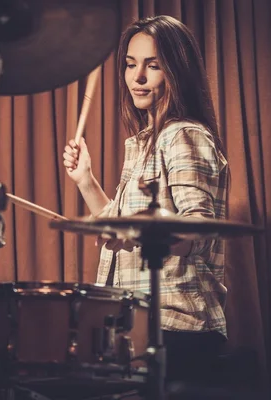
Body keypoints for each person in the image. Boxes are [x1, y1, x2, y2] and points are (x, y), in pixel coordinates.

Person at [63, 15, 230, 385]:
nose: (137, 78)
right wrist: (86, 181)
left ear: (176, 71)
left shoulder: (182, 134)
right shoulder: (146, 141)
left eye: (152, 66)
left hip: (176, 328)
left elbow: (198, 229)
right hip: (141, 323)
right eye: (130, 64)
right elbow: (125, 232)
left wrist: (144, 233)